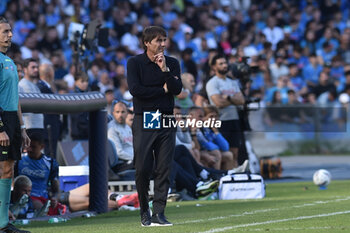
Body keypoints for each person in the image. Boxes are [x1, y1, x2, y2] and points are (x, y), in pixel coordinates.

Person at [127, 26, 182, 226]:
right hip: (146, 117)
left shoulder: (172, 63)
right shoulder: (135, 63)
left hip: (166, 117)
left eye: (164, 40)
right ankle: (144, 210)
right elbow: (136, 90)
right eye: (158, 40)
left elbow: (176, 89)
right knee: (142, 167)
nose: (162, 44)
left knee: (163, 167)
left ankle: (159, 212)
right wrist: (162, 90)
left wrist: (165, 70)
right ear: (147, 43)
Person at [0, 16, 31, 233]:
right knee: (3, 169)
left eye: (10, 31)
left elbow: (16, 97)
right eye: (5, 31)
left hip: (12, 120)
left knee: (8, 169)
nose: (10, 35)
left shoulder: (8, 61)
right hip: (2, 119)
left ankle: (3, 220)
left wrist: (21, 127)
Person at [206, 54, 245, 168]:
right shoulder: (212, 83)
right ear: (214, 67)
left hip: (234, 119)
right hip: (221, 120)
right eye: (221, 64)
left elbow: (242, 100)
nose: (224, 66)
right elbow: (218, 102)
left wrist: (227, 98)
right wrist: (233, 99)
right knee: (224, 152)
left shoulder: (232, 82)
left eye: (225, 63)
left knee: (235, 153)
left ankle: (234, 177)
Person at [14, 131, 66, 216]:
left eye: (33, 147)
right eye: (28, 146)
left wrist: (55, 199)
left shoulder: (51, 163)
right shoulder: (19, 161)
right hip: (26, 199)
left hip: (45, 198)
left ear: (42, 147)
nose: (29, 149)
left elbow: (56, 189)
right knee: (39, 205)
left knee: (85, 200)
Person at [18, 58, 45, 137]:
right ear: (25, 69)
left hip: (38, 126)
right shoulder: (21, 85)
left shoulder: (35, 85)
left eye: (37, 67)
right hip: (29, 127)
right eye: (33, 67)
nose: (36, 70)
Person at [107, 100, 134, 173]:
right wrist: (136, 159)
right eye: (117, 112)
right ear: (113, 113)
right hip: (121, 163)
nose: (120, 115)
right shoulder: (111, 128)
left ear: (127, 113)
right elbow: (118, 153)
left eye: (123, 112)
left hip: (132, 160)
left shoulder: (127, 127)